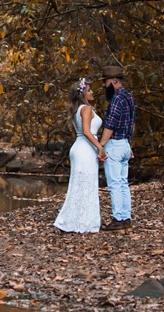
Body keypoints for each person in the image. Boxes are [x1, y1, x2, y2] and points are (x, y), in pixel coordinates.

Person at [54, 78, 105, 233]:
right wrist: (100, 147)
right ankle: (80, 222)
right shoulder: (86, 109)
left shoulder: (78, 109)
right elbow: (86, 131)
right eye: (89, 90)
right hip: (85, 149)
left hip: (79, 147)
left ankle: (75, 221)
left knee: (80, 185)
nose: (92, 92)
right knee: (85, 184)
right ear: (83, 94)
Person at [98, 64, 136, 231]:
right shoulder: (129, 97)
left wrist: (101, 145)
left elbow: (110, 124)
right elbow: (132, 123)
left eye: (105, 82)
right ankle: (125, 217)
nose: (104, 86)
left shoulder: (117, 99)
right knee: (123, 182)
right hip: (125, 144)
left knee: (114, 183)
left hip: (114, 144)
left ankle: (118, 218)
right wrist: (129, 144)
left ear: (114, 81)